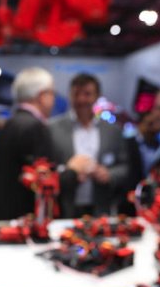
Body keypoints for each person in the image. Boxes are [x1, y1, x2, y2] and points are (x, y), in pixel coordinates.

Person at [49, 73, 129, 217]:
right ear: (70, 96)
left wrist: (109, 174)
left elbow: (125, 167)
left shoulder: (112, 131)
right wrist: (68, 172)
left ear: (97, 96)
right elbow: (46, 167)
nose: (81, 99)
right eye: (76, 94)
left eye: (87, 94)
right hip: (64, 207)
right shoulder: (53, 128)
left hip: (101, 206)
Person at [0, 67, 55, 220]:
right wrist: (72, 172)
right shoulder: (35, 127)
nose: (53, 99)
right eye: (52, 93)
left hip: (5, 211)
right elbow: (42, 180)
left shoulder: (10, 123)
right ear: (42, 96)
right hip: (25, 217)